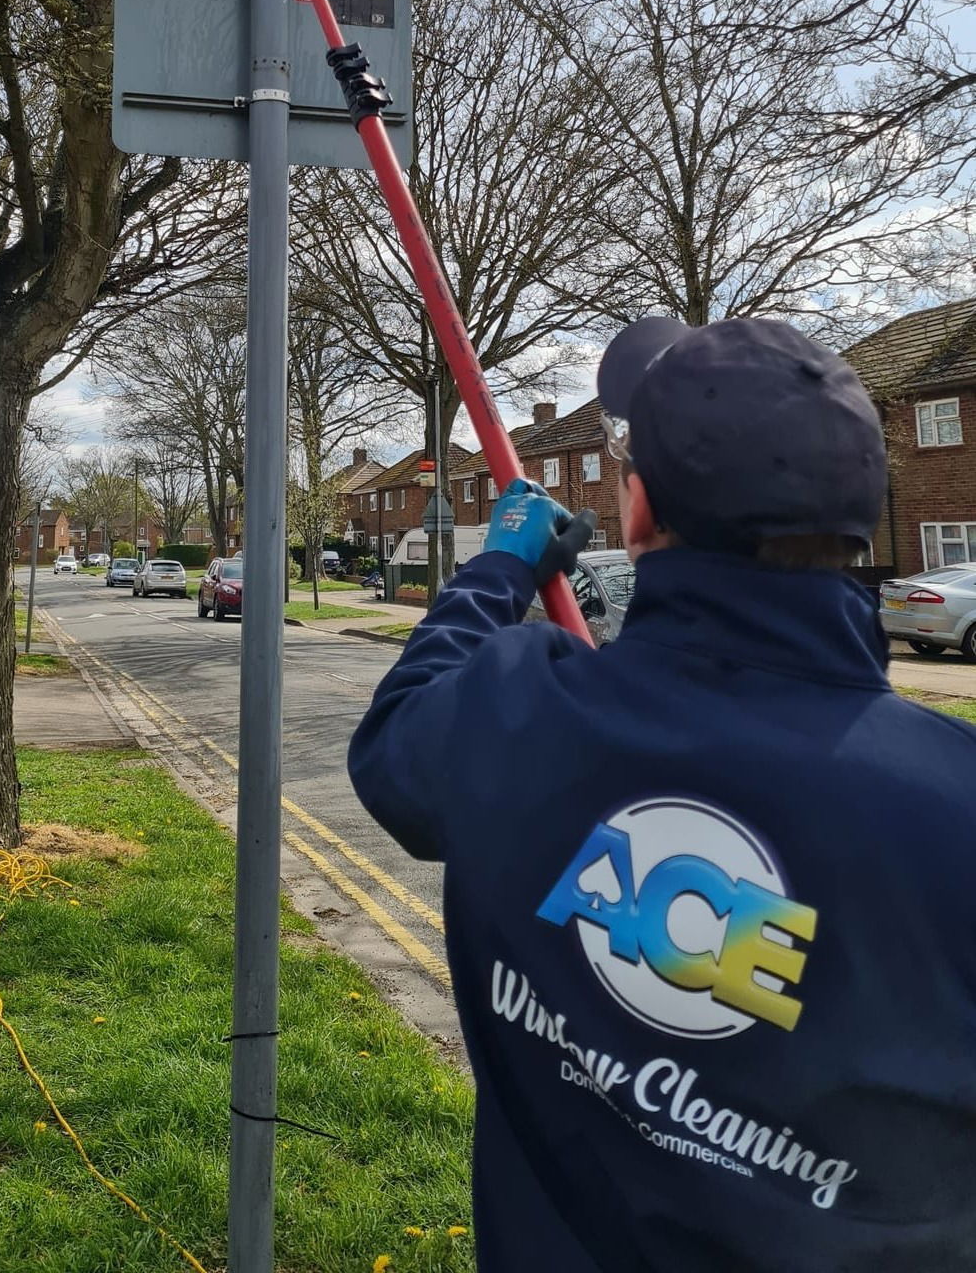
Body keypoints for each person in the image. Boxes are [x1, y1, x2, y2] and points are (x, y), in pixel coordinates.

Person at [348, 317, 976, 1271]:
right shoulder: (951, 800)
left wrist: (498, 569)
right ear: (859, 521)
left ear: (635, 516)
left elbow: (394, 749)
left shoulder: (524, 706)